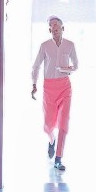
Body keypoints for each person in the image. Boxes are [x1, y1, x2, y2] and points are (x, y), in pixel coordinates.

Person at [31, 15, 78, 172]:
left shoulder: (70, 45)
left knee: (64, 123)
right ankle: (52, 140)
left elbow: (76, 65)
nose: (54, 27)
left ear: (63, 28)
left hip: (65, 87)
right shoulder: (44, 46)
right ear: (49, 30)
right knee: (48, 125)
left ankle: (58, 158)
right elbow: (36, 66)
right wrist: (34, 84)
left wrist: (65, 69)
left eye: (57, 25)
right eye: (51, 26)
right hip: (49, 88)